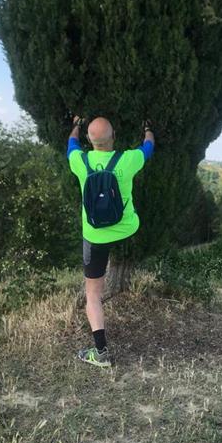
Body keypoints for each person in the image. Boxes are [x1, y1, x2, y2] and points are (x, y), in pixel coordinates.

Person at [67, 115, 155, 368]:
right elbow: (148, 147)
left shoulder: (79, 161)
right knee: (133, 219)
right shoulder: (128, 160)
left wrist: (76, 125)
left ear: (89, 140)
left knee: (93, 294)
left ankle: (101, 353)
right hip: (126, 229)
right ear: (114, 136)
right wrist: (148, 128)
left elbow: (71, 144)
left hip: (95, 236)